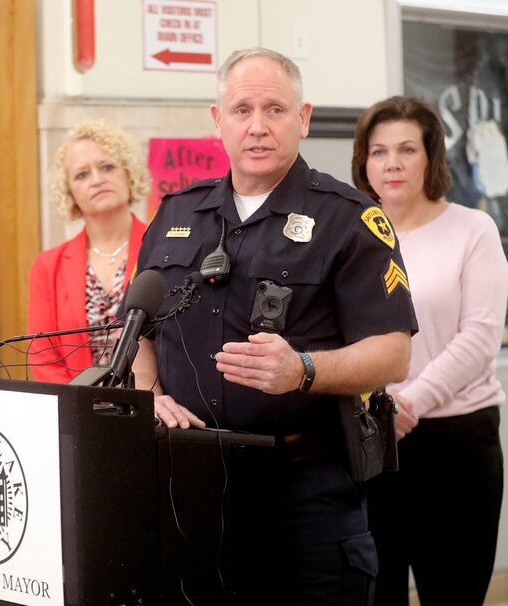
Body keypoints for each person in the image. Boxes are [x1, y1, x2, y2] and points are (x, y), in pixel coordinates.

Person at [130, 48, 418, 604]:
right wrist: (150, 392)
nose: (257, 127)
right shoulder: (175, 214)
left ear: (303, 118)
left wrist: (303, 370)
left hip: (306, 491)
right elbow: (138, 328)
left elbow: (392, 353)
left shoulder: (351, 218)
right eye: (241, 110)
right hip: (190, 487)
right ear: (218, 122)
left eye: (275, 110)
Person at [352, 96, 508, 606]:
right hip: (372, 440)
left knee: (454, 592)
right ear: (364, 162)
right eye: (378, 152)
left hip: (456, 441)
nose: (391, 163)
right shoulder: (352, 236)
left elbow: (480, 337)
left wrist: (409, 402)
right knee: (377, 592)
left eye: (406, 149)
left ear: (431, 158)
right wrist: (379, 407)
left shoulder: (471, 229)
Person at [27, 120, 150, 383]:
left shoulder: (164, 249)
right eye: (82, 174)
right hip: (76, 411)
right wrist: (81, 408)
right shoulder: (48, 266)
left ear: (128, 173)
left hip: (153, 408)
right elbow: (43, 358)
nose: (97, 179)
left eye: (107, 167)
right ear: (69, 192)